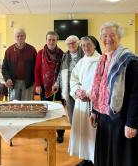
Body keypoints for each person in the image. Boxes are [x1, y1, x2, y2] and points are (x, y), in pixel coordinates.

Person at [90, 21, 138, 166]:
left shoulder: (128, 60)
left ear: (119, 37)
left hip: (121, 118)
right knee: (105, 155)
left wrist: (132, 123)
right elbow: (100, 88)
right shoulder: (103, 58)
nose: (108, 39)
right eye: (104, 35)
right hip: (103, 116)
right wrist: (94, 111)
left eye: (112, 35)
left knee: (119, 157)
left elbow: (135, 94)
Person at [68, 36, 101, 166]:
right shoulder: (82, 61)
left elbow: (102, 84)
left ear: (95, 45)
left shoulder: (101, 61)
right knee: (83, 132)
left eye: (88, 44)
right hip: (81, 102)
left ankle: (95, 159)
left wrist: (88, 94)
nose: (85, 48)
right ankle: (86, 158)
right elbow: (74, 79)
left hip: (94, 103)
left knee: (93, 132)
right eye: (83, 45)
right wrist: (77, 91)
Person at [35, 31, 64, 142]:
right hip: (44, 86)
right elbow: (37, 70)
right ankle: (47, 133)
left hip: (58, 87)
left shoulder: (61, 53)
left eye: (53, 40)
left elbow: (62, 71)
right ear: (46, 40)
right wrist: (37, 84)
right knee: (45, 111)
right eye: (49, 40)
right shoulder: (40, 53)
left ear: (57, 40)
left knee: (58, 111)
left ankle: (60, 133)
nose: (51, 42)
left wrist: (59, 84)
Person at [53, 35, 84, 125]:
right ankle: (73, 131)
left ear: (78, 43)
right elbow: (61, 72)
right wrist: (57, 83)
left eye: (73, 43)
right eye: (69, 44)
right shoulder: (65, 55)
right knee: (71, 111)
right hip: (68, 87)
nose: (71, 45)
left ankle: (81, 132)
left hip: (80, 87)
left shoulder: (84, 54)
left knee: (81, 110)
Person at [2, 28, 37, 101]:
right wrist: (7, 78)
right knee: (14, 105)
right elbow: (4, 68)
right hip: (14, 83)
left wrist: (35, 82)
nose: (20, 38)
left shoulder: (32, 50)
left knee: (27, 105)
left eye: (22, 36)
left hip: (28, 82)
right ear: (15, 37)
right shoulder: (9, 51)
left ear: (25, 37)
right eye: (17, 36)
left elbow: (36, 67)